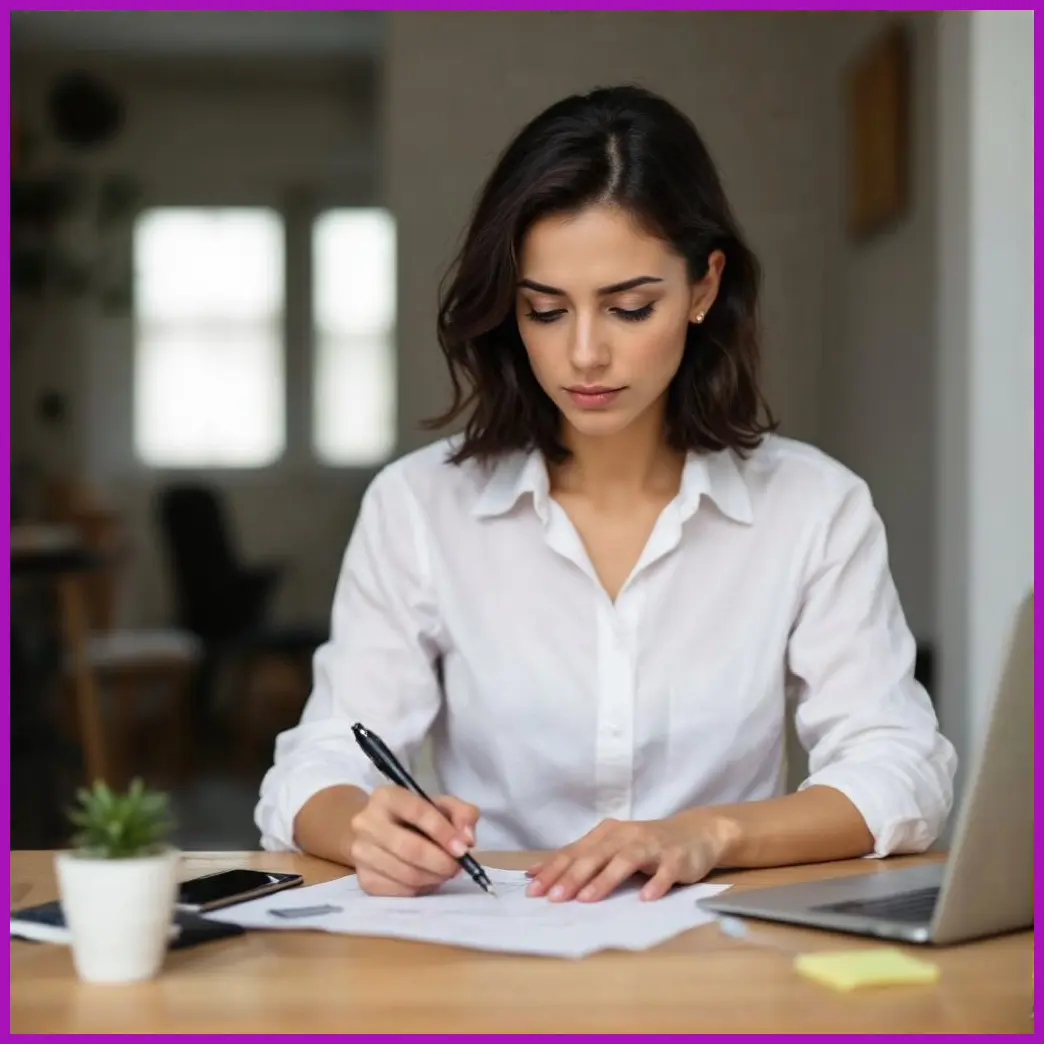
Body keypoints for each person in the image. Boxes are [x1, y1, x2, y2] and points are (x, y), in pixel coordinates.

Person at [255, 85, 956, 904]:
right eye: (545, 311)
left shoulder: (813, 507)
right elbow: (321, 761)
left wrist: (710, 833)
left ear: (703, 288)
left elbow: (900, 766)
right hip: (492, 945)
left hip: (721, 951)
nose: (585, 353)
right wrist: (364, 830)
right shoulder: (418, 506)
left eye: (629, 308)